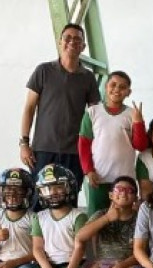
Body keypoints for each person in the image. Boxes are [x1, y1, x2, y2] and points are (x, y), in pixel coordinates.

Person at [19, 23, 101, 201]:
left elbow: (96, 115)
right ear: (60, 42)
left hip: (74, 152)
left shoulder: (88, 78)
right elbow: (29, 108)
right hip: (42, 150)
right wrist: (24, 143)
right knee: (40, 201)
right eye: (67, 38)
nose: (72, 42)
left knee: (68, 201)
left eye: (77, 39)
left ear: (83, 46)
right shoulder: (43, 71)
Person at [77, 71, 148, 215]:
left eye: (122, 87)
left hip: (125, 180)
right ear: (105, 86)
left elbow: (140, 146)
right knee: (97, 218)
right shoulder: (92, 112)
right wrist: (88, 170)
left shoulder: (132, 114)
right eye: (113, 85)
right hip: (99, 178)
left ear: (128, 92)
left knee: (125, 217)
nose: (117, 89)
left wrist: (138, 123)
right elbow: (84, 144)